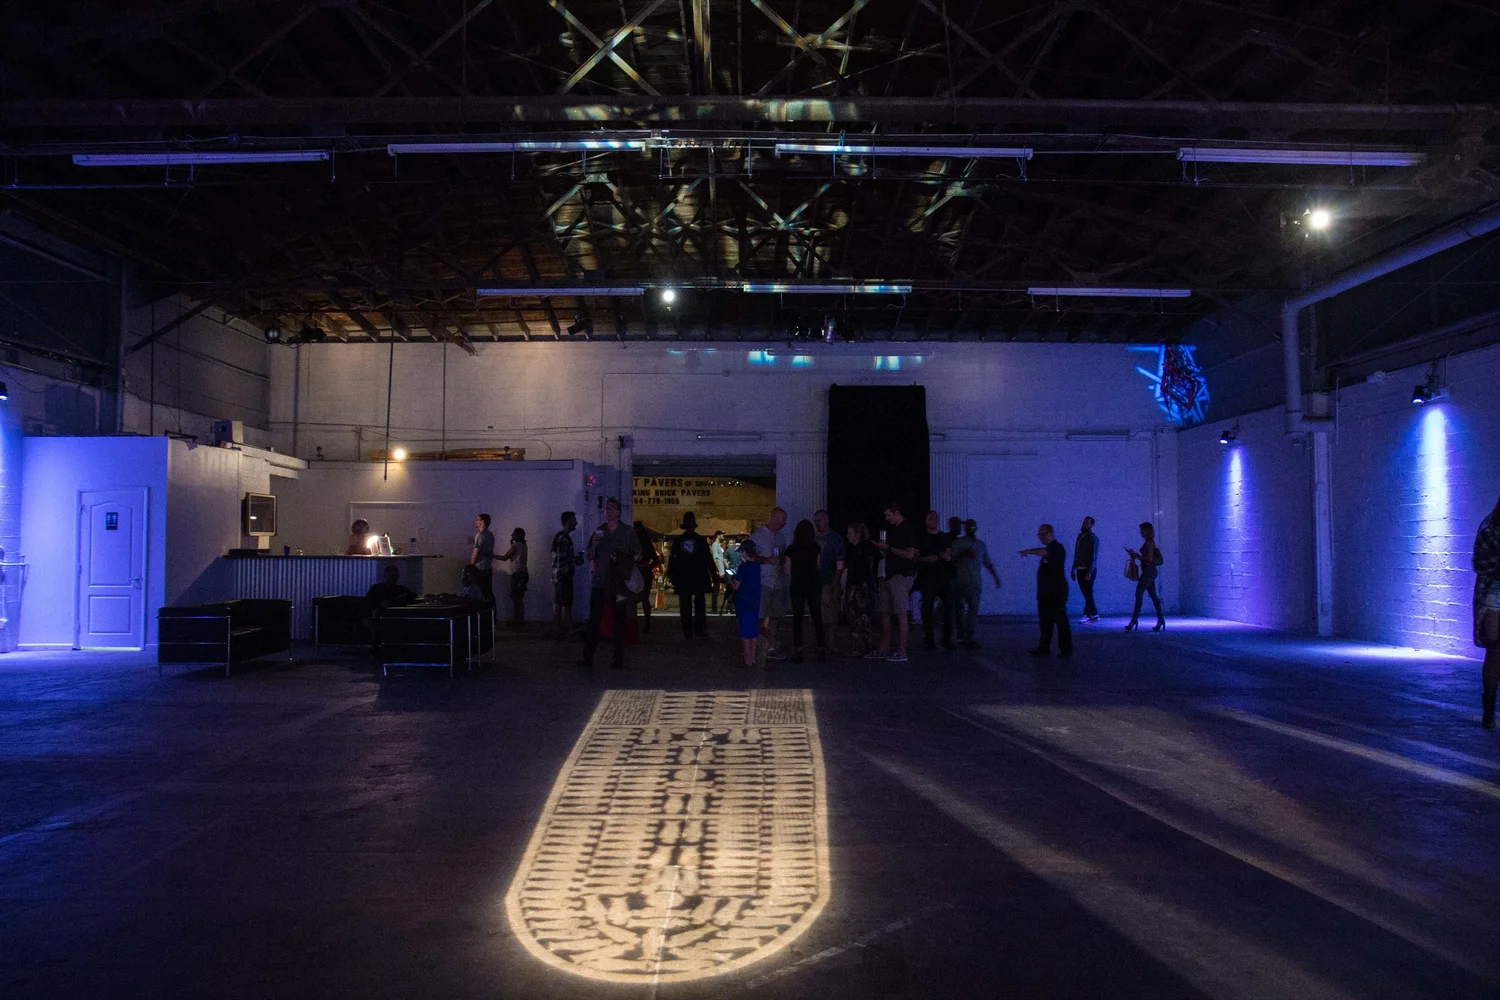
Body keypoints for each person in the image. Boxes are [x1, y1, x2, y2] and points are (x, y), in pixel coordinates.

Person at [579, 498, 643, 669]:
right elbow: (589, 556)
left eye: (612, 509)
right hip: (599, 581)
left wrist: (623, 559)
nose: (608, 511)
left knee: (619, 621)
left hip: (618, 584)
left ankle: (618, 659)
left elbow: (638, 554)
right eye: (606, 508)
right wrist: (594, 546)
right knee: (594, 620)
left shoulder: (628, 532)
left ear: (619, 512)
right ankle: (588, 657)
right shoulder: (599, 531)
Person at [872, 502, 917, 663]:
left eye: (889, 515)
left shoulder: (907, 529)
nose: (886, 518)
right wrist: (883, 549)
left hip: (900, 575)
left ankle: (902, 650)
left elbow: (910, 554)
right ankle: (885, 647)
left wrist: (888, 549)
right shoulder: (894, 530)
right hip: (889, 574)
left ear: (897, 513)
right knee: (885, 611)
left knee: (900, 612)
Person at [1021, 523, 1072, 658]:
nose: (1041, 537)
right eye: (1040, 535)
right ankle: (1044, 648)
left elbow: (1043, 552)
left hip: (1056, 593)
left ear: (1051, 534)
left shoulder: (1057, 548)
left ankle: (1066, 650)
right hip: (1045, 593)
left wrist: (1028, 551)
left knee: (1061, 621)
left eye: (1043, 534)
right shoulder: (1050, 549)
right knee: (1045, 622)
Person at [952, 519, 1001, 649]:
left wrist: (996, 577)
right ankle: (961, 635)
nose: (970, 529)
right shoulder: (958, 543)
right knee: (959, 609)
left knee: (972, 609)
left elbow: (987, 562)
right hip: (960, 581)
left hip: (974, 582)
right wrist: (964, 553)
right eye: (969, 526)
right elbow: (951, 560)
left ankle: (968, 636)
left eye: (972, 527)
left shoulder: (980, 545)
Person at [748, 507, 790, 660]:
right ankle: (751, 645)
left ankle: (772, 647)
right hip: (763, 581)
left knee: (776, 616)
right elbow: (748, 556)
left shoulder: (781, 538)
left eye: (784, 521)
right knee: (759, 616)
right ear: (773, 518)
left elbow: (784, 556)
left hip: (778, 581)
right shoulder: (757, 537)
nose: (783, 524)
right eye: (781, 520)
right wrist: (766, 560)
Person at [1472, 496, 1500, 728]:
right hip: (1495, 591)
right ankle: (1489, 709)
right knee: (1495, 650)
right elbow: (1479, 563)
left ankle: (1489, 709)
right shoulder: (1490, 528)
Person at [667, 511, 715, 640]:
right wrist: (714, 575)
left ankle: (687, 630)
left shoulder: (678, 541)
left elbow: (672, 560)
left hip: (683, 577)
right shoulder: (700, 540)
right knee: (700, 603)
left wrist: (671, 576)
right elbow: (708, 559)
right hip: (699, 576)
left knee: (685, 604)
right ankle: (699, 629)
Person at [786, 519, 826, 663]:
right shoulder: (815, 548)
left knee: (797, 619)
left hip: (797, 585)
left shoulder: (791, 549)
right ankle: (821, 648)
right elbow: (818, 565)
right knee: (817, 617)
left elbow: (787, 570)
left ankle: (798, 650)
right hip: (813, 585)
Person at [915, 510, 955, 651]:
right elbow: (915, 557)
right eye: (931, 518)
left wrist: (946, 557)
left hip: (943, 576)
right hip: (928, 576)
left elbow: (949, 555)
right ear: (926, 521)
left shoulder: (944, 537)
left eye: (936, 518)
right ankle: (929, 639)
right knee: (927, 607)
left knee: (948, 606)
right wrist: (925, 559)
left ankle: (947, 639)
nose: (934, 521)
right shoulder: (921, 537)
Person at [842, 522, 880, 657]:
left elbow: (861, 572)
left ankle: (861, 646)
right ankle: (865, 644)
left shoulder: (860, 551)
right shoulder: (859, 550)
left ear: (857, 534)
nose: (848, 536)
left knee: (858, 616)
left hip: (859, 589)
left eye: (850, 533)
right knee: (861, 617)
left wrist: (853, 588)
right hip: (860, 587)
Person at [1125, 521, 1166, 632]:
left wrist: (1137, 556)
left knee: (1139, 593)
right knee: (1153, 596)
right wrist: (1137, 555)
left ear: (1147, 531)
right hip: (1149, 571)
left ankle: (1134, 620)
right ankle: (1160, 619)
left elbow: (1149, 559)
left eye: (1142, 530)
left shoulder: (1149, 543)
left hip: (1148, 571)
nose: (1140, 532)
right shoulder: (1149, 542)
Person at [813, 510, 846, 641]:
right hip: (817, 582)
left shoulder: (834, 538)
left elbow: (840, 561)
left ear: (826, 520)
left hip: (829, 581)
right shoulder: (816, 539)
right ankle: (821, 642)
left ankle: (830, 641)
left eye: (819, 520)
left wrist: (835, 582)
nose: (817, 524)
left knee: (831, 614)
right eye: (815, 521)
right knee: (818, 614)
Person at [730, 538, 763, 667]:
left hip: (744, 602)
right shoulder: (758, 567)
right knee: (754, 631)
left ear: (744, 553)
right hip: (755, 601)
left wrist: (730, 580)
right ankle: (753, 657)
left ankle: (747, 658)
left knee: (745, 631)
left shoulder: (742, 568)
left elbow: (736, 586)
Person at [550, 511, 581, 640]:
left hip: (558, 575)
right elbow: (564, 560)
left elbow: (559, 558)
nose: (576, 523)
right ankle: (569, 630)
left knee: (558, 603)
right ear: (568, 521)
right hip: (564, 575)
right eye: (574, 520)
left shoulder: (559, 536)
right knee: (566, 604)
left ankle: (557, 631)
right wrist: (576, 560)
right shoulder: (564, 538)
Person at [633, 521, 663, 634]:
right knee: (644, 599)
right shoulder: (646, 542)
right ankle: (645, 621)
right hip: (644, 572)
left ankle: (639, 621)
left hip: (638, 572)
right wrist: (648, 566)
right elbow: (655, 559)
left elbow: (655, 559)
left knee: (636, 598)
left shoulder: (635, 542)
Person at [498, 527, 529, 628]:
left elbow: (505, 558)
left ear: (518, 535)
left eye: (513, 534)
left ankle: (517, 621)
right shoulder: (524, 545)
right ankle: (520, 620)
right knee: (519, 598)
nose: (511, 535)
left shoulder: (516, 545)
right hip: (524, 573)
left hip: (517, 574)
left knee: (516, 598)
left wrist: (491, 555)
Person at [1073, 516, 1100, 623]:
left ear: (1091, 525)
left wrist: (1089, 571)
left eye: (1087, 523)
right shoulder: (1080, 537)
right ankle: (1093, 614)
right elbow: (1077, 553)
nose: (1084, 524)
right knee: (1087, 593)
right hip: (1080, 569)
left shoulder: (1093, 538)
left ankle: (1089, 614)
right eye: (1084, 522)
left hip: (1088, 570)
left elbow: (1093, 556)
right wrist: (1073, 568)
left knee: (1088, 593)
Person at [470, 514, 496, 606]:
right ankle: (491, 611)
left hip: (479, 568)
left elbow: (475, 552)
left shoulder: (480, 535)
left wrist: (471, 566)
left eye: (478, 519)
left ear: (483, 522)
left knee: (478, 593)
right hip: (488, 567)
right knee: (488, 593)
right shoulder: (491, 535)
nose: (476, 521)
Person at [709, 531, 729, 614]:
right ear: (718, 535)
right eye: (722, 535)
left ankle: (715, 608)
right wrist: (720, 571)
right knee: (721, 588)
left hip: (720, 570)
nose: (723, 536)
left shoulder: (717, 545)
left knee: (716, 589)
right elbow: (715, 559)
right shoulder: (715, 545)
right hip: (719, 571)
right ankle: (728, 607)